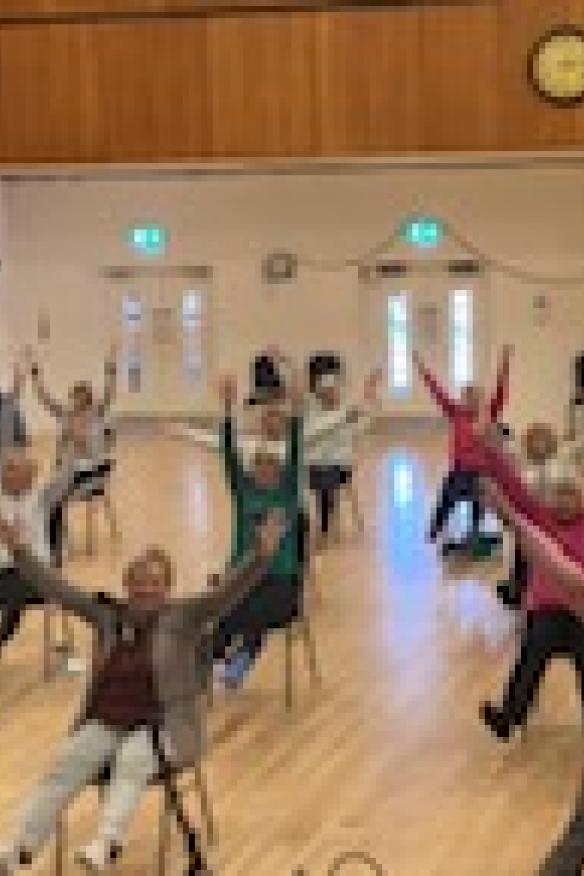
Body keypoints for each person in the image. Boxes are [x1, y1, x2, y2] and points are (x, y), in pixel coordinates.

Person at [0, 508, 285, 874]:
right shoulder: (109, 617)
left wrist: (261, 556)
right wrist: (20, 552)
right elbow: (60, 591)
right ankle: (19, 849)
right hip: (108, 719)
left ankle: (107, 843)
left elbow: (229, 594)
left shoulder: (184, 617)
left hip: (164, 726)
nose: (145, 589)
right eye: (137, 582)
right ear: (126, 585)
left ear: (167, 587)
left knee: (132, 761)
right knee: (67, 766)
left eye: (154, 582)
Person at [213, 371, 306, 688]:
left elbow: (296, 447)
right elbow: (228, 454)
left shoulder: (288, 494)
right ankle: (212, 663)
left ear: (281, 473)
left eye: (271, 468)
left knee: (251, 612)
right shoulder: (244, 493)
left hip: (281, 580)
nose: (264, 473)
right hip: (243, 574)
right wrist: (227, 410)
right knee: (222, 605)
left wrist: (294, 408)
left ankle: (238, 659)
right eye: (258, 468)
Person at [480, 478, 584, 741]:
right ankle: (508, 718)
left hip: (580, 613)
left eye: (569, 495)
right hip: (547, 612)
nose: (562, 502)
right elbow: (513, 500)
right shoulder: (541, 522)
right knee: (529, 661)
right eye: (558, 496)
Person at [412, 345, 512, 546]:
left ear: (482, 401)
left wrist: (505, 363)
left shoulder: (488, 414)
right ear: (463, 400)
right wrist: (422, 369)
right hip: (459, 470)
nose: (471, 401)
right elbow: (437, 392)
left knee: (479, 498)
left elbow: (500, 392)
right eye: (467, 398)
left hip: (482, 473)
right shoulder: (456, 412)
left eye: (476, 398)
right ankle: (435, 530)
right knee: (447, 496)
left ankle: (475, 530)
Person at [28, 345, 119, 556]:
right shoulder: (67, 415)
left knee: (52, 495)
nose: (73, 401)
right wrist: (35, 372)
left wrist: (111, 366)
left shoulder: (96, 414)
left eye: (77, 397)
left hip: (91, 475)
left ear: (87, 399)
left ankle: (57, 542)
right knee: (46, 496)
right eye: (72, 397)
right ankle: (59, 540)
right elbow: (44, 398)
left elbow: (109, 392)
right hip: (70, 474)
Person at [0, 449, 78, 653]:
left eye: (12, 468)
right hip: (5, 571)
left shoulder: (43, 498)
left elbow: (67, 474)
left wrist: (72, 444)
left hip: (35, 573)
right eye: (5, 468)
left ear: (30, 474)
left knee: (14, 591)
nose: (5, 474)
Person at [304, 365, 382, 545]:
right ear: (320, 394)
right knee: (320, 481)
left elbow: (365, 420)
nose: (331, 395)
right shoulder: (313, 414)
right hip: (314, 465)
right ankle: (324, 525)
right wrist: (344, 418)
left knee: (328, 482)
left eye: (334, 391)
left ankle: (327, 527)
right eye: (327, 392)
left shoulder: (344, 412)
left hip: (339, 466)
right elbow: (311, 436)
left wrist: (370, 390)